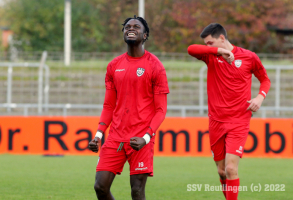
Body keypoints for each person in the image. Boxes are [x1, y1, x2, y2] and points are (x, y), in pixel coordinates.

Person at [88, 15, 169, 200]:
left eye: (136, 27)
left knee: (137, 191)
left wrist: (146, 137)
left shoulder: (156, 66)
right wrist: (99, 135)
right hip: (116, 136)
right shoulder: (114, 66)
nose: (131, 28)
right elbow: (109, 105)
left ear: (145, 35)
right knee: (100, 186)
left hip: (140, 137)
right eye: (127, 26)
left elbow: (161, 110)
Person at [187, 23, 271, 200]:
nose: (207, 46)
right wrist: (217, 52)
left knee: (231, 168)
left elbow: (265, 80)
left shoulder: (249, 57)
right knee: (222, 171)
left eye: (210, 43)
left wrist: (259, 98)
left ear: (222, 38)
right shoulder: (210, 56)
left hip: (239, 120)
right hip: (216, 121)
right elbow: (191, 49)